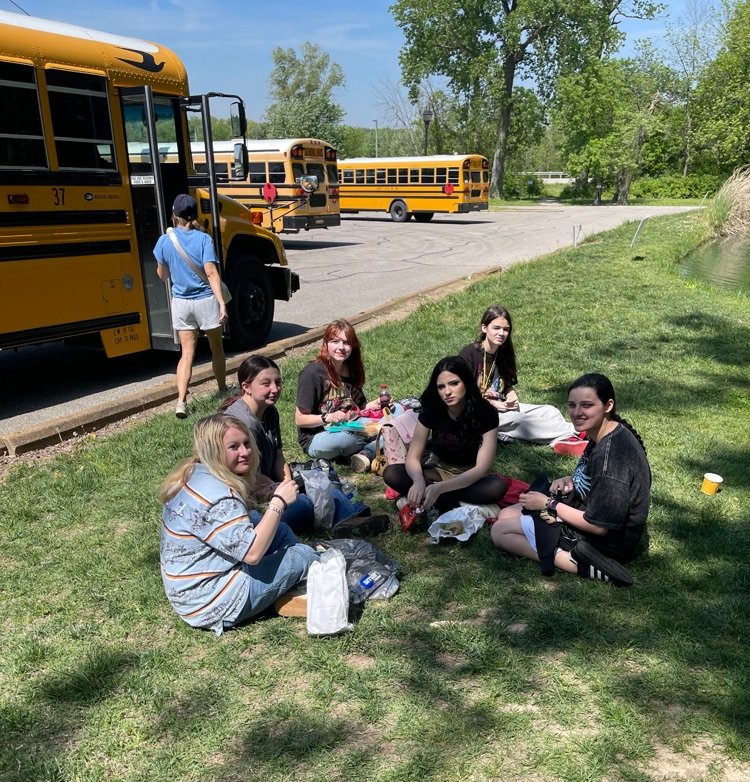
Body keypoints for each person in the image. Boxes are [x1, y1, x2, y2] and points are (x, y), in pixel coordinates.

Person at [158, 414, 318, 634]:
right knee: (303, 555)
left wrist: (256, 496)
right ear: (213, 451)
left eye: (246, 444)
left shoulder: (193, 472)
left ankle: (296, 585)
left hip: (188, 593)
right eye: (234, 447)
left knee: (276, 529)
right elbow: (252, 554)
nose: (245, 452)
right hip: (213, 603)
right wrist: (278, 502)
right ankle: (312, 584)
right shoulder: (221, 496)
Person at [491, 374, 651, 586]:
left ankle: (581, 563)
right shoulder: (604, 432)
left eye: (587, 405)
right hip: (585, 511)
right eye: (572, 405)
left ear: (608, 405)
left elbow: (599, 527)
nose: (577, 413)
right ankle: (574, 553)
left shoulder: (611, 455)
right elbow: (599, 480)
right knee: (504, 514)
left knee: (499, 531)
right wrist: (573, 480)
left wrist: (549, 504)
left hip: (604, 542)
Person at [221, 355, 371, 533]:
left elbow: (278, 456)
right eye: (266, 383)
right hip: (248, 495)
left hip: (270, 484)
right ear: (246, 387)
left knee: (320, 474)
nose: (275, 389)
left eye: (278, 382)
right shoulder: (241, 422)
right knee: (303, 505)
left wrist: (288, 484)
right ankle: (344, 519)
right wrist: (284, 491)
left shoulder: (270, 411)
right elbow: (247, 476)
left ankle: (351, 516)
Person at [382, 356, 507, 512]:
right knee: (392, 473)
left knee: (496, 487)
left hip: (469, 475)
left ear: (466, 382)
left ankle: (436, 497)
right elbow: (413, 456)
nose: (447, 392)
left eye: (454, 384)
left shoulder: (486, 413)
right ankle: (438, 496)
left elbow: (482, 468)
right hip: (437, 469)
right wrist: (418, 481)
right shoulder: (433, 408)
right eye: (441, 387)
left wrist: (441, 488)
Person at [458, 305, 582, 452]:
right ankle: (578, 431)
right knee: (520, 420)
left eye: (506, 329)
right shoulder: (470, 354)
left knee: (550, 411)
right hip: (476, 413)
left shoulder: (503, 352)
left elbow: (507, 384)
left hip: (500, 406)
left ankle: (563, 441)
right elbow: (461, 394)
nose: (501, 333)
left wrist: (511, 394)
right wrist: (492, 404)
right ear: (484, 328)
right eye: (496, 328)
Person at [154, 194, 227, 419]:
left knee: (187, 354)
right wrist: (222, 303)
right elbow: (211, 272)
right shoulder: (204, 239)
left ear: (174, 214)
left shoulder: (164, 241)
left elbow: (162, 274)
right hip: (205, 301)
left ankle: (181, 401)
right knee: (216, 348)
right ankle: (222, 390)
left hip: (182, 303)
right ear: (194, 215)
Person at [295, 319, 382, 472]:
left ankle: (365, 453)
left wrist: (376, 404)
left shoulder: (350, 368)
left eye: (347, 343)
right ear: (325, 343)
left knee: (400, 415)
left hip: (353, 427)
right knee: (346, 440)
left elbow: (360, 406)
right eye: (335, 341)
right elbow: (300, 419)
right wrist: (327, 418)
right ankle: (377, 446)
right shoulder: (312, 373)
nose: (341, 348)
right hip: (319, 436)